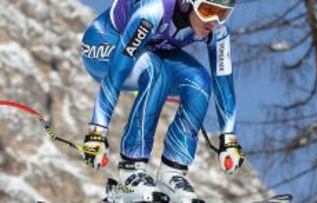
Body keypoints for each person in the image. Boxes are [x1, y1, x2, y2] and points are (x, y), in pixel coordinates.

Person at [80, 0, 245, 202]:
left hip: (150, 50)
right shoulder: (153, 10)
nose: (214, 20)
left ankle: (172, 174)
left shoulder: (217, 30)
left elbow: (224, 82)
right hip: (104, 48)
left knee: (199, 81)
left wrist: (229, 139)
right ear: (187, 3)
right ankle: (132, 169)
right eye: (207, 10)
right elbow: (117, 70)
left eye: (223, 14)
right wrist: (97, 132)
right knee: (156, 71)